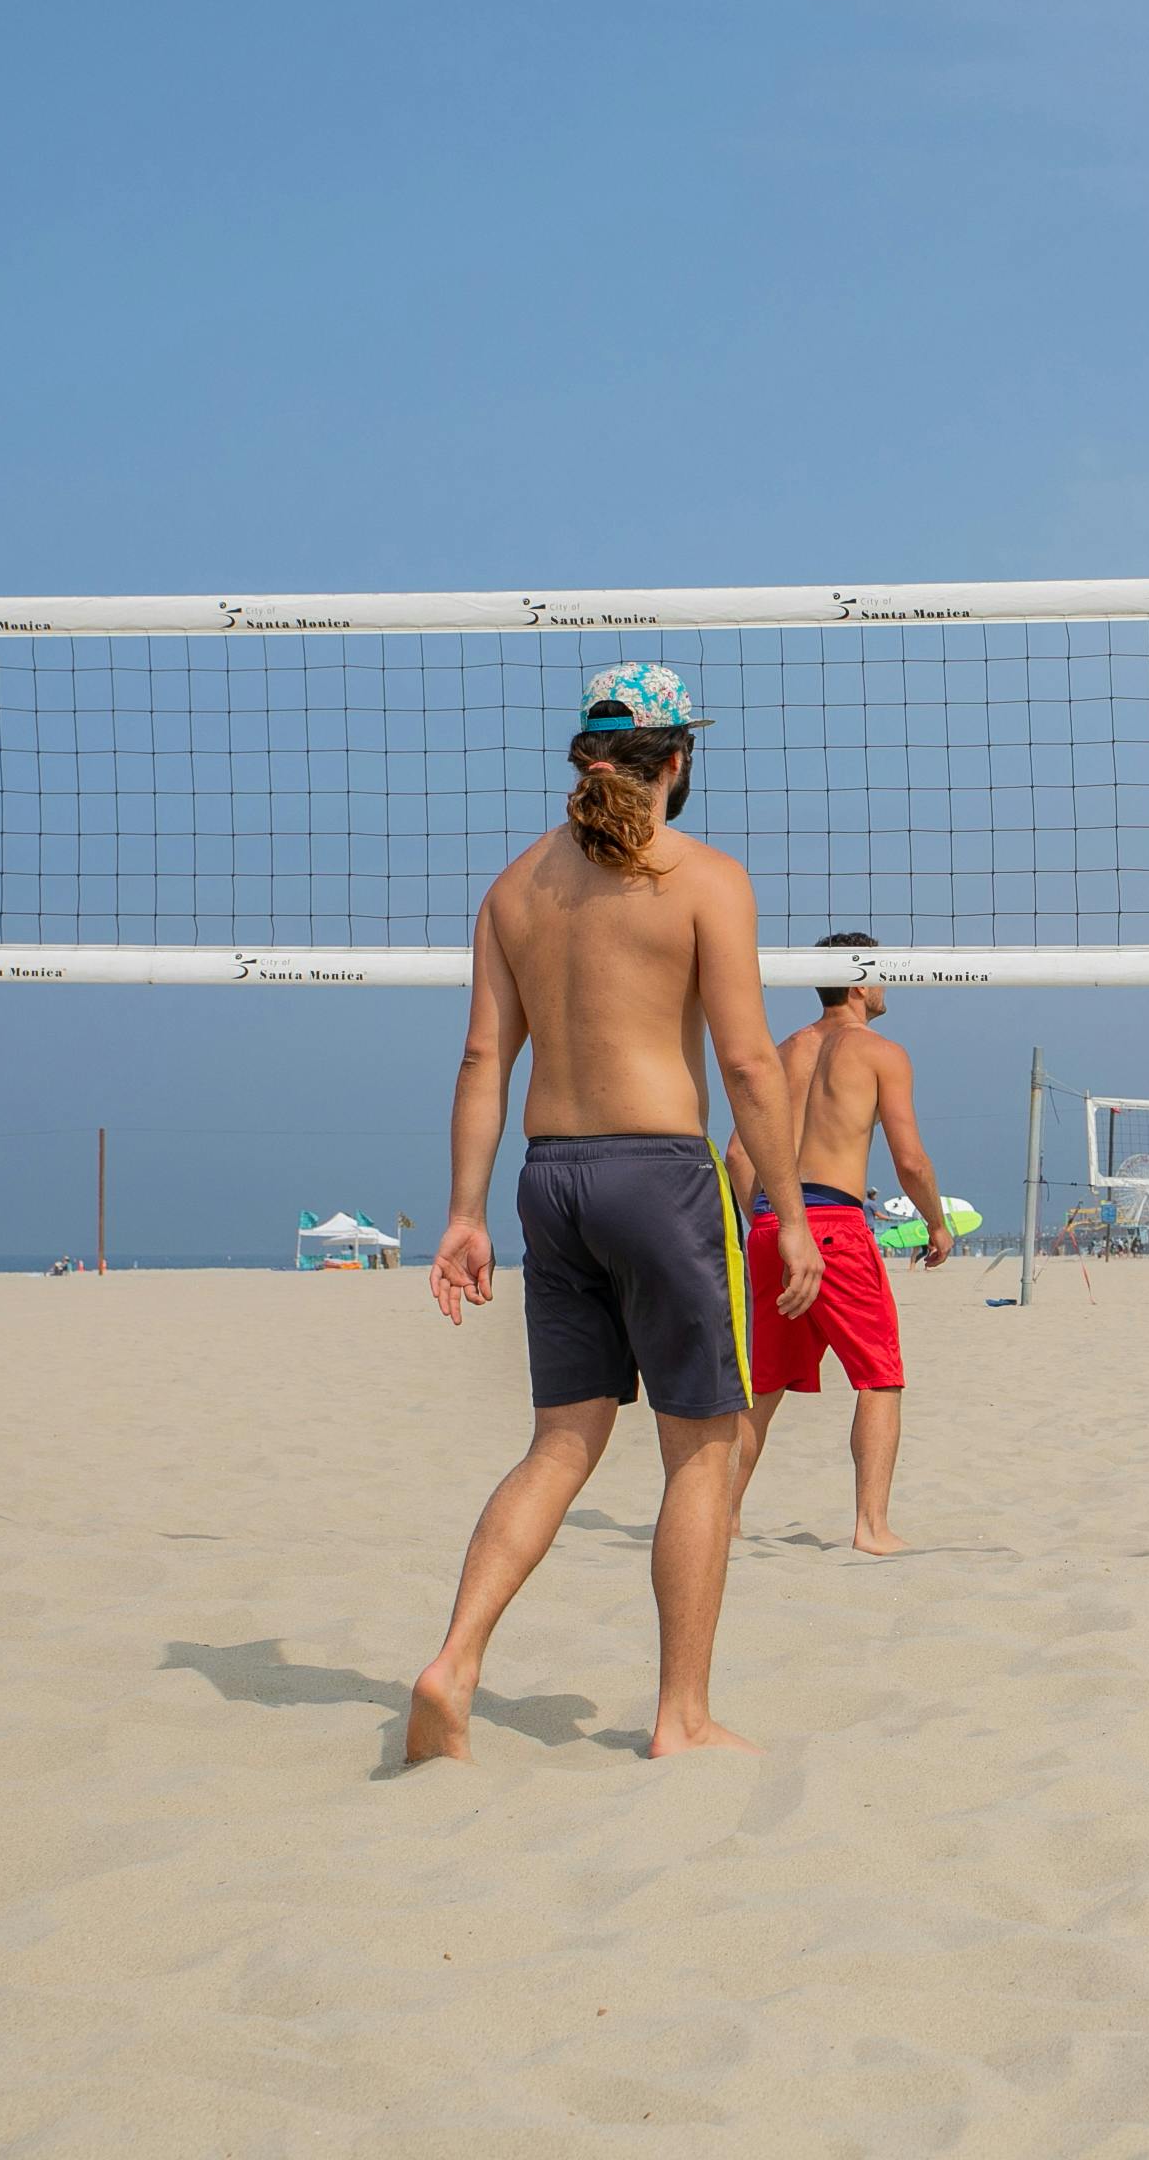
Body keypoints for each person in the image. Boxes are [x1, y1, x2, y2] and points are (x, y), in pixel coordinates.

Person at [407, 664, 823, 1765]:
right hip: (657, 1174)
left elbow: (482, 1058)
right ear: (678, 761)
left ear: (581, 759)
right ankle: (680, 1715)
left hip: (550, 1178)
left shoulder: (512, 889)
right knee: (704, 1449)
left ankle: (453, 1660)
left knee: (558, 1445)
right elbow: (746, 1060)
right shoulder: (702, 877)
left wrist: (464, 1211)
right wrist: (792, 1208)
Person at [724, 930, 951, 1557]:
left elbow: (739, 1154)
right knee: (880, 1377)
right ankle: (871, 1527)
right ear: (858, 980)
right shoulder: (881, 1052)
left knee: (763, 1386)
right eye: (879, 972)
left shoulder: (780, 1052)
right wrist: (936, 1221)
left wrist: (771, 1224)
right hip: (835, 1228)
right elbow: (909, 1159)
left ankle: (726, 1519)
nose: (886, 984)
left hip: (774, 1228)